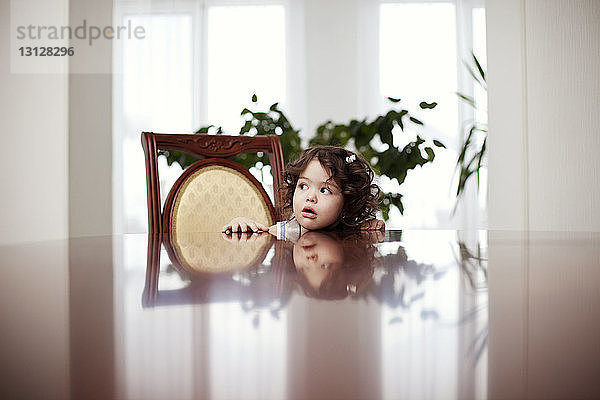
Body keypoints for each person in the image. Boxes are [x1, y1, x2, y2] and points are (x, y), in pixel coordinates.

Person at [222, 146, 385, 239]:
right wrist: (242, 224)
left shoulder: (349, 232)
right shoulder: (287, 230)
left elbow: (365, 235)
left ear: (348, 203)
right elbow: (259, 232)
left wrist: (368, 228)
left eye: (324, 190)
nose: (310, 197)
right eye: (304, 186)